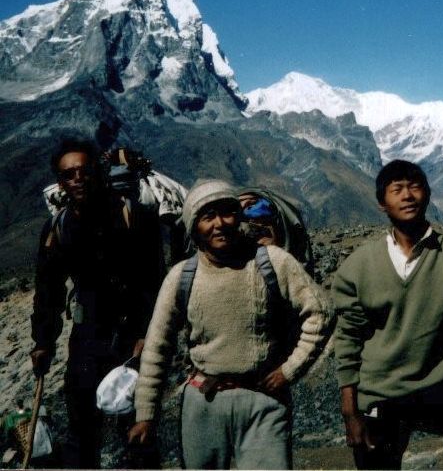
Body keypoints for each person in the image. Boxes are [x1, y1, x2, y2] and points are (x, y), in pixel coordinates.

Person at [128, 179, 331, 469]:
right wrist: (145, 414)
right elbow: (157, 348)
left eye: (227, 212)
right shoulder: (181, 277)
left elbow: (321, 312)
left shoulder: (273, 261)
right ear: (194, 227)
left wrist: (289, 370)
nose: (219, 224)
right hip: (203, 402)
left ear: (239, 216)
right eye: (207, 217)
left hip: (265, 399)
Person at [332, 160, 443, 470]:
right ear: (382, 204)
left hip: (435, 386)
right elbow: (348, 338)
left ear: (427, 195)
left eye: (415, 187)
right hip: (378, 391)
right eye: (396, 189)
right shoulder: (359, 265)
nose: (407, 196)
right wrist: (350, 410)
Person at [31, 137, 163, 468]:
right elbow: (48, 289)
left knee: (137, 430)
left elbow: (154, 280)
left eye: (83, 170)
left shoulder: (133, 216)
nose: (77, 178)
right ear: (60, 182)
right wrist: (43, 341)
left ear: (97, 172)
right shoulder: (59, 227)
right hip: (87, 339)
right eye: (68, 174)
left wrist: (148, 333)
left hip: (133, 338)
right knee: (81, 430)